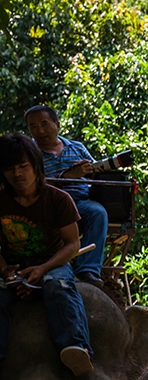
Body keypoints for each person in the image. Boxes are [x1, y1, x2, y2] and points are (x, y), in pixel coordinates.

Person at [0, 132, 94, 376]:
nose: (17, 173)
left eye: (23, 166)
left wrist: (42, 270)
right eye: (10, 168)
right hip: (12, 267)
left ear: (36, 166)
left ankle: (76, 346)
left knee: (57, 286)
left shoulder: (58, 199)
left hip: (53, 263)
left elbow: (72, 245)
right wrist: (4, 270)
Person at [25, 105, 107, 287]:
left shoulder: (76, 147)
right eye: (33, 126)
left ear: (57, 125)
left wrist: (94, 170)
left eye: (44, 124)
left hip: (80, 201)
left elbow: (95, 171)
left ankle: (88, 270)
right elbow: (28, 184)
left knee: (98, 212)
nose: (40, 130)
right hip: (47, 204)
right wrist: (67, 176)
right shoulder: (29, 153)